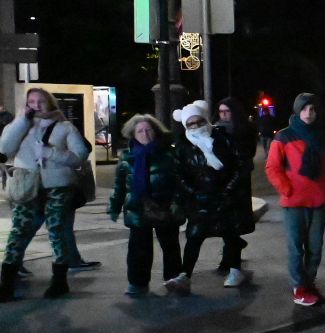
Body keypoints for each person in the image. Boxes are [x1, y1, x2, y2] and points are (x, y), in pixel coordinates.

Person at [0, 87, 91, 301]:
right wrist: (22, 121)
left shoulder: (65, 126)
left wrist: (51, 153)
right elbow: (4, 148)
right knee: (19, 231)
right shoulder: (20, 125)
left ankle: (59, 281)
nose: (36, 105)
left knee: (57, 229)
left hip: (58, 186)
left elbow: (80, 156)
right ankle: (6, 283)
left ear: (50, 102)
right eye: (31, 101)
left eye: (40, 101)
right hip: (27, 185)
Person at [265, 93, 325, 307]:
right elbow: (273, 167)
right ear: (297, 111)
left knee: (315, 247)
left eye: (313, 109)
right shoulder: (284, 136)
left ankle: (309, 284)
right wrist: (286, 189)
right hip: (294, 202)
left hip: (318, 201)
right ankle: (299, 287)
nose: (309, 113)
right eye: (305, 109)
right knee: (296, 247)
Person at [167, 101, 249, 294]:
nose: (196, 127)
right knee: (194, 237)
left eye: (199, 121)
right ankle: (185, 275)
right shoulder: (183, 146)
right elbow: (177, 173)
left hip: (225, 196)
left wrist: (229, 189)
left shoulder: (224, 139)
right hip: (199, 199)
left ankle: (235, 270)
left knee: (230, 234)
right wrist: (192, 192)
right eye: (191, 124)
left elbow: (241, 164)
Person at [107, 114, 183, 297]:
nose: (145, 134)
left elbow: (180, 181)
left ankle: (174, 280)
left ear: (156, 132)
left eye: (148, 129)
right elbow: (119, 184)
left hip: (164, 207)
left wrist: (178, 203)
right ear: (133, 134)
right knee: (138, 248)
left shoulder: (169, 154)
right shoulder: (127, 156)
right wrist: (115, 206)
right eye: (140, 130)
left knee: (170, 246)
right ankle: (137, 283)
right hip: (137, 208)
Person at [213, 97, 260, 276]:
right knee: (225, 221)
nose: (224, 115)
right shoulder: (216, 129)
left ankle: (231, 260)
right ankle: (232, 253)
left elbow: (248, 155)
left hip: (239, 181)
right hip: (222, 180)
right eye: (221, 112)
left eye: (227, 111)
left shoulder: (244, 130)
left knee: (234, 221)